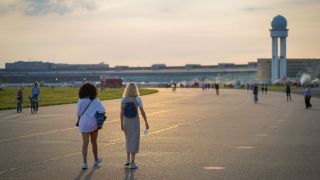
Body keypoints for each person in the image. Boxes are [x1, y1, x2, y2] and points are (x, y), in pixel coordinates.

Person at [77, 83, 105, 169]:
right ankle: (96, 160)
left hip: (83, 124)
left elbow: (78, 114)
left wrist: (80, 121)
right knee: (94, 142)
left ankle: (84, 163)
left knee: (85, 143)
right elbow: (103, 111)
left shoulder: (80, 101)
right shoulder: (97, 101)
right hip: (93, 124)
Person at [121, 82, 149, 169]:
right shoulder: (137, 99)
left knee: (128, 139)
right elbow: (142, 112)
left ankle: (127, 160)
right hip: (134, 122)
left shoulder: (123, 99)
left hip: (126, 122)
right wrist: (146, 122)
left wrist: (121, 124)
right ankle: (132, 162)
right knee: (134, 140)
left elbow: (121, 113)